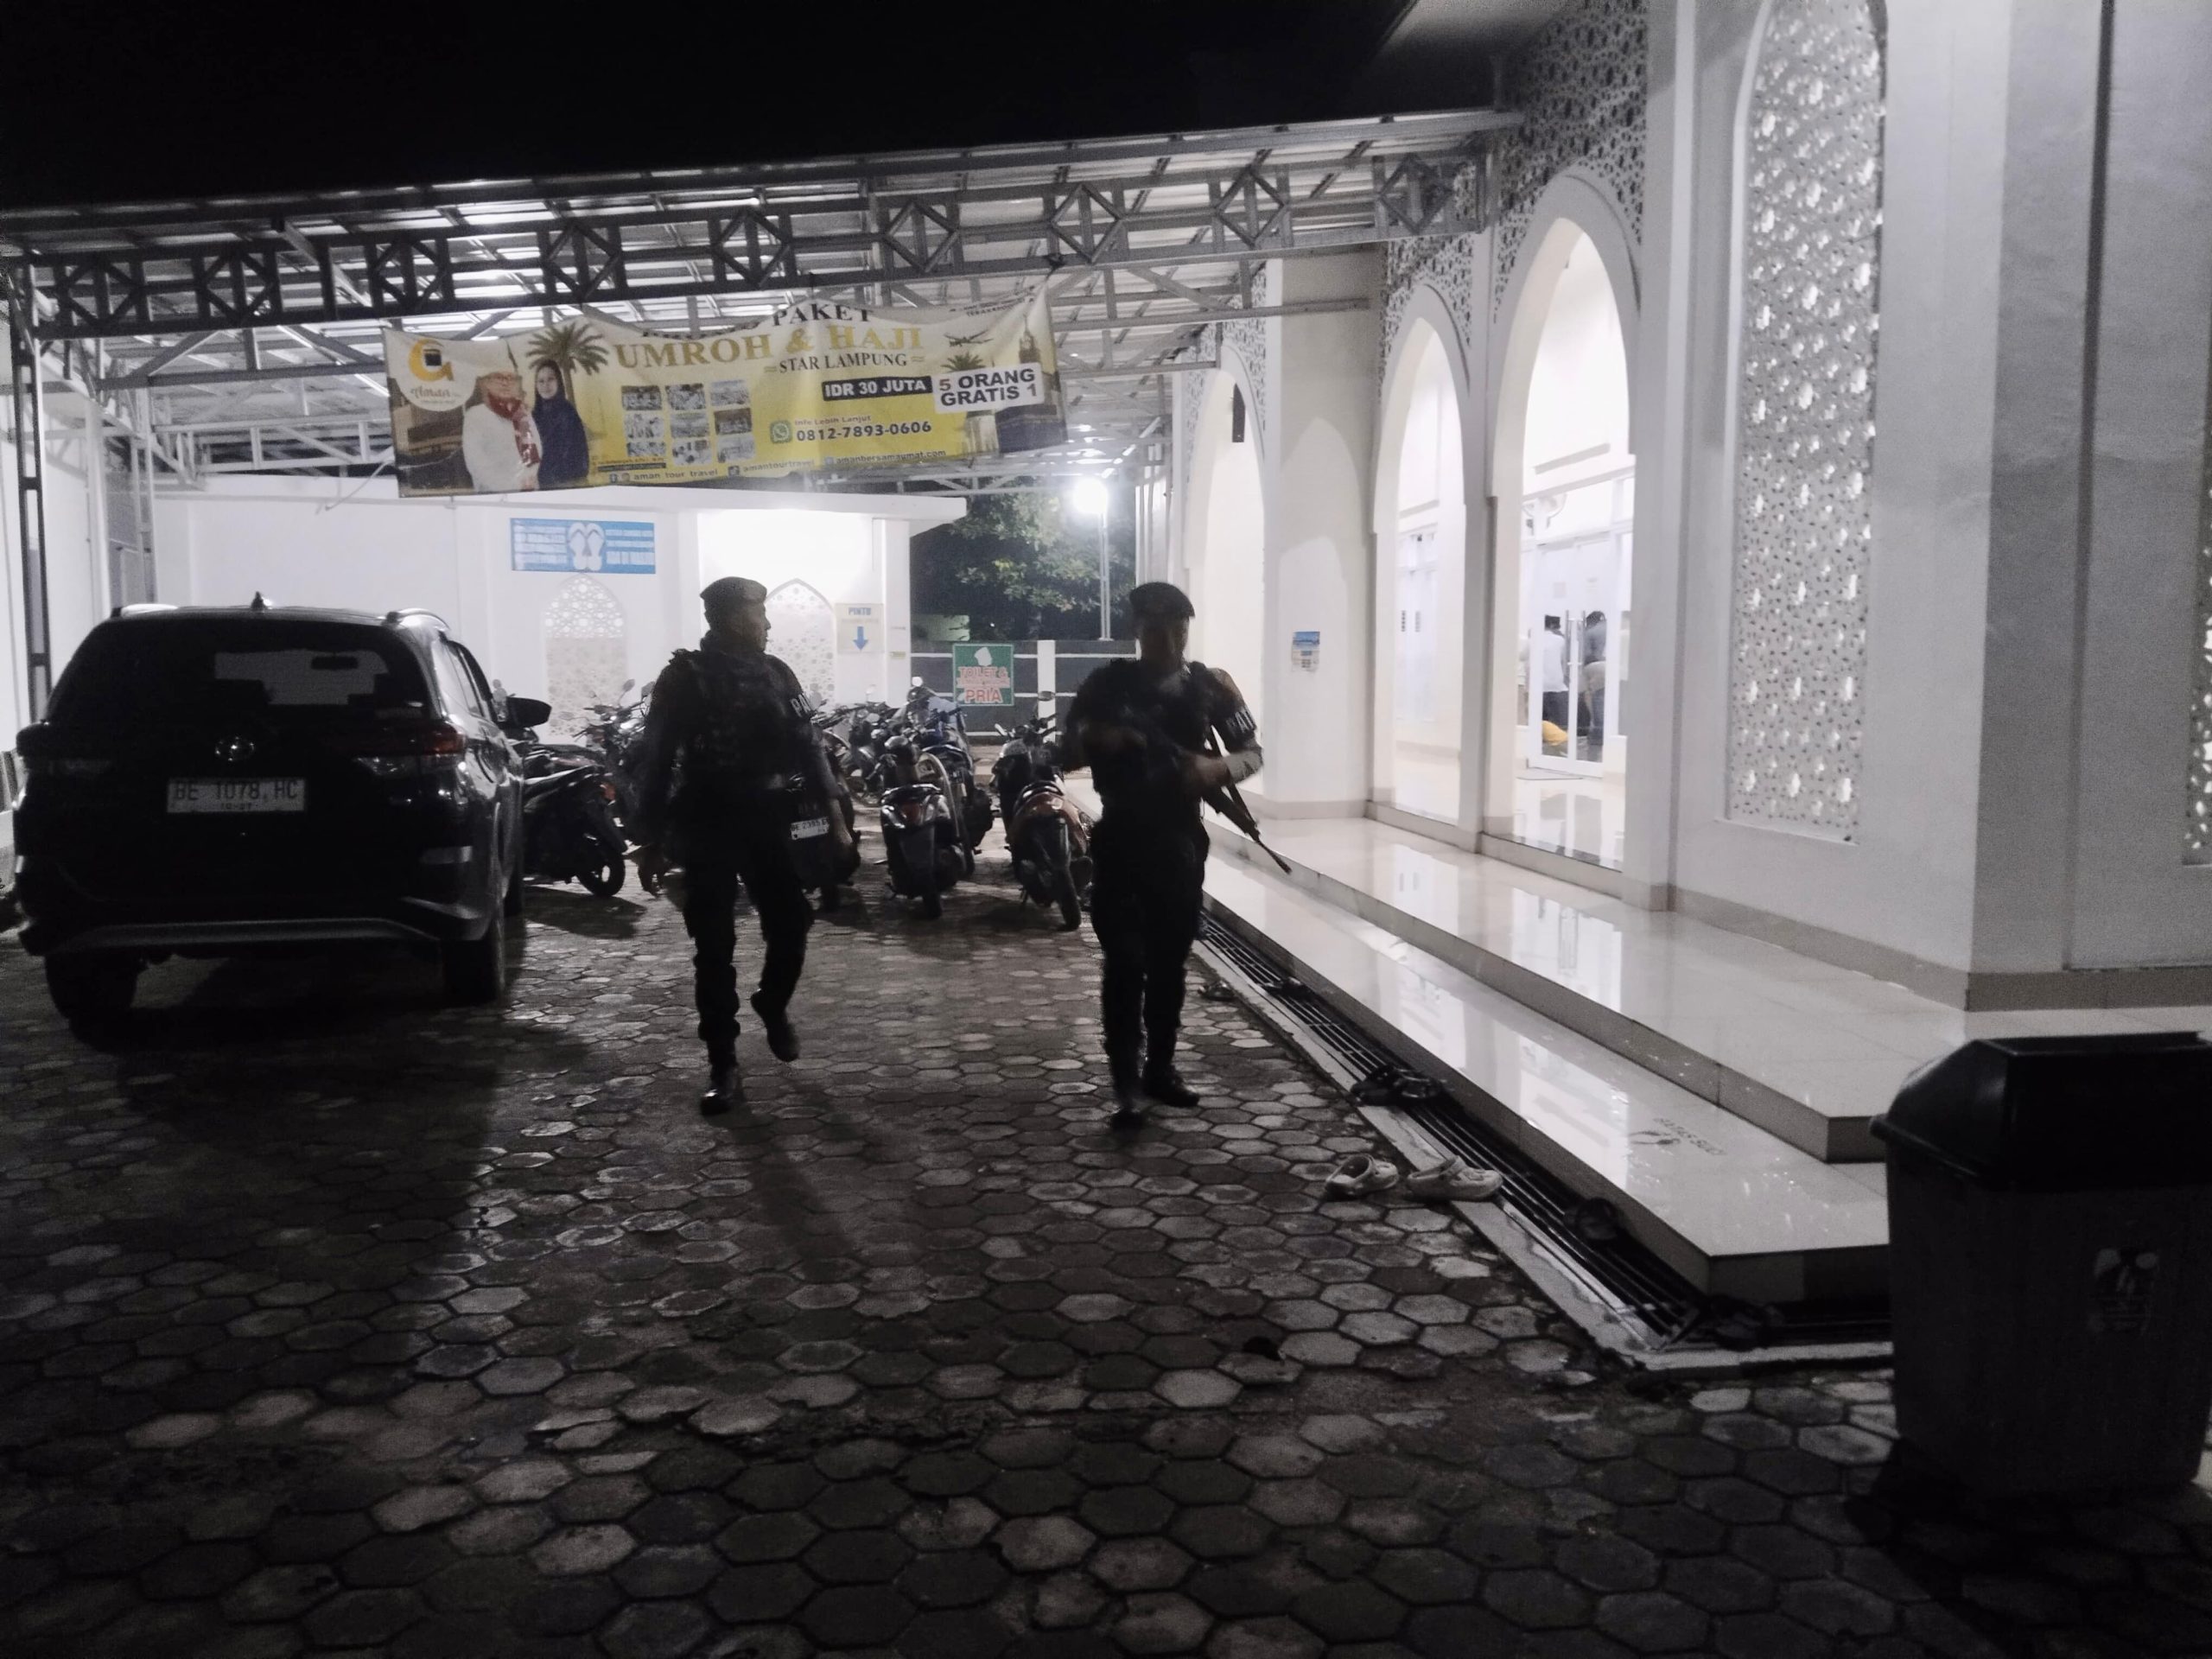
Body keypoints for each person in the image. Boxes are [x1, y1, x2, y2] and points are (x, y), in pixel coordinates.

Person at [629, 577, 856, 1113]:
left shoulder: (778, 673)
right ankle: (723, 1063)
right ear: (732, 618)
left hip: (768, 818)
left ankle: (771, 1002)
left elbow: (810, 747)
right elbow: (656, 757)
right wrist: (650, 837)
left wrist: (836, 820)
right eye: (760, 614)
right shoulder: (683, 677)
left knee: (792, 922)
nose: (768, 624)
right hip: (706, 817)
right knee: (714, 946)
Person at [1067, 582, 1262, 1123]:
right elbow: (1063, 751)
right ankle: (1125, 1079)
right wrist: (1100, 740)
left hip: (1178, 843)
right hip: (1121, 838)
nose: (1169, 640)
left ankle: (1161, 1067)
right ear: (1136, 630)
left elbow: (1252, 753)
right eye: (1156, 628)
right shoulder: (1105, 687)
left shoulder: (1212, 687)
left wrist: (1216, 769)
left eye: (1178, 628)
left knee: (1169, 961)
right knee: (1124, 963)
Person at [461, 371, 542, 493]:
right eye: (499, 378)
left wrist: (527, 480)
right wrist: (513, 486)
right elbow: (476, 462)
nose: (505, 383)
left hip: (527, 491)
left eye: (511, 378)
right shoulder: (475, 415)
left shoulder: (522, 413)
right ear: (487, 383)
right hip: (494, 495)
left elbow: (536, 449)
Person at [531, 361, 590, 488]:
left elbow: (574, 456)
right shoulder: (535, 415)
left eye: (550, 379)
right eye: (541, 381)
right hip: (543, 485)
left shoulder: (567, 412)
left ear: (559, 381)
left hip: (568, 484)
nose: (546, 385)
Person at [1539, 615, 1569, 751]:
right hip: (1557, 683)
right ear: (1552, 625)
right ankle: (1558, 741)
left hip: (1539, 684)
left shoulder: (1534, 640)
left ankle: (1543, 744)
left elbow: (1523, 656)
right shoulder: (1560, 640)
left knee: (1540, 718)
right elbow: (1564, 660)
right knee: (1558, 719)